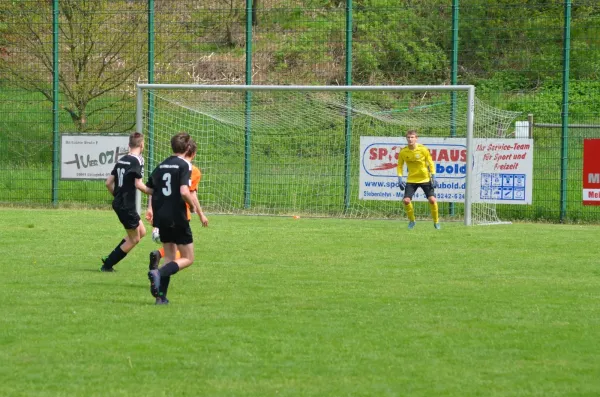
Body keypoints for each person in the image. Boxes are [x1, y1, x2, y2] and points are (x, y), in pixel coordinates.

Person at [145, 133, 209, 305]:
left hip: (161, 216)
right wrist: (193, 206)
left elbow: (149, 189)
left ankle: (161, 297)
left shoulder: (161, 165)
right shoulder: (184, 165)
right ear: (188, 148)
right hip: (178, 216)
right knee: (188, 258)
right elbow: (184, 191)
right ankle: (158, 273)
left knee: (170, 257)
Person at [146, 141, 203, 274]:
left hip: (163, 213)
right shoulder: (189, 169)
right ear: (192, 153)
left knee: (172, 249)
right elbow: (189, 193)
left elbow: (152, 189)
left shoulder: (164, 166)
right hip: (180, 214)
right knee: (185, 253)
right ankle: (159, 268)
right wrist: (198, 212)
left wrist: (150, 208)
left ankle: (160, 292)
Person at [101, 132, 153, 272]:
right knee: (135, 239)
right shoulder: (138, 160)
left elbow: (108, 183)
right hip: (126, 206)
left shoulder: (121, 159)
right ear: (142, 145)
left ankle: (109, 258)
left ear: (129, 145)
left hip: (121, 203)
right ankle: (108, 264)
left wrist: (117, 196)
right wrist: (154, 192)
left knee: (141, 231)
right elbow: (139, 184)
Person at [397, 130, 440, 230]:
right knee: (406, 200)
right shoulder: (403, 151)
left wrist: (433, 177)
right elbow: (399, 165)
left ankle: (436, 222)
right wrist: (399, 178)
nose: (410, 139)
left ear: (416, 138)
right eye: (408, 137)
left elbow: (431, 162)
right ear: (406, 138)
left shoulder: (423, 149)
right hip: (412, 180)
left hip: (425, 178)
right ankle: (412, 221)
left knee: (432, 200)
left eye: (412, 137)